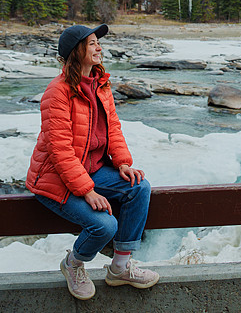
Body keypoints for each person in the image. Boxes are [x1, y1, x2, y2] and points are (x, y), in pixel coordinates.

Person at [26, 24, 159, 300]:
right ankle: (73, 264)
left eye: (98, 43)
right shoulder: (57, 92)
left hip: (92, 170)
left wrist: (122, 163)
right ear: (77, 51)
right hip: (55, 179)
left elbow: (114, 128)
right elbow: (60, 151)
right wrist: (87, 191)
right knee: (104, 225)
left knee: (139, 187)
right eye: (92, 43)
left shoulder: (100, 84)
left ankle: (120, 267)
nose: (99, 47)